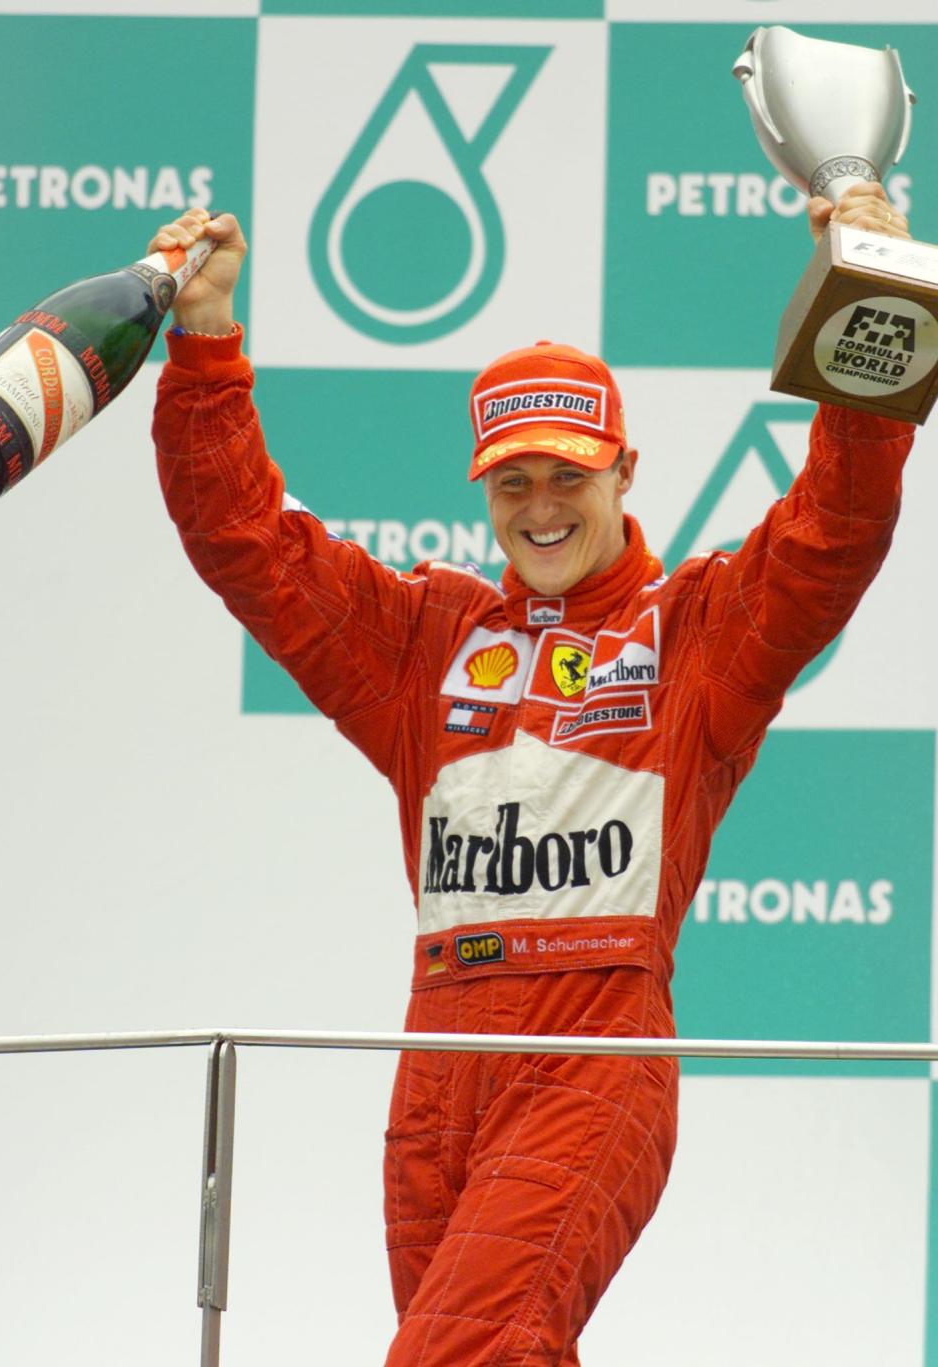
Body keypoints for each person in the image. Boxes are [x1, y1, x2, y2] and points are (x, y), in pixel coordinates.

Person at [151, 183, 914, 1366]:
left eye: (568, 474)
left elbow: (835, 530)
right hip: (436, 1067)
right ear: (482, 489)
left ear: (624, 472)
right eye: (514, 481)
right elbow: (247, 543)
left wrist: (868, 298)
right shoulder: (426, 638)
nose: (542, 505)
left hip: (591, 1061)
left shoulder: (696, 631)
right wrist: (204, 342)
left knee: (459, 1353)